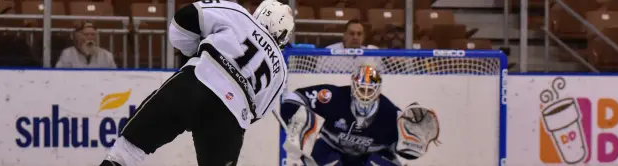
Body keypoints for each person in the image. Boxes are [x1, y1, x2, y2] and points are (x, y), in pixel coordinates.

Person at [99, 0, 294, 166]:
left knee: (128, 150)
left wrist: (192, 51)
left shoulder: (241, 15)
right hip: (231, 118)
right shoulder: (281, 71)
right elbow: (256, 113)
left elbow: (185, 17)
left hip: (195, 83)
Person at [279, 64, 441, 166]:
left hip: (370, 155)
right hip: (331, 148)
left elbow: (400, 150)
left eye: (369, 90)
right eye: (361, 88)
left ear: (378, 90)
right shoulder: (334, 96)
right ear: (353, 86)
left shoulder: (390, 113)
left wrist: (411, 147)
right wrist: (295, 118)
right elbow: (295, 97)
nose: (364, 94)